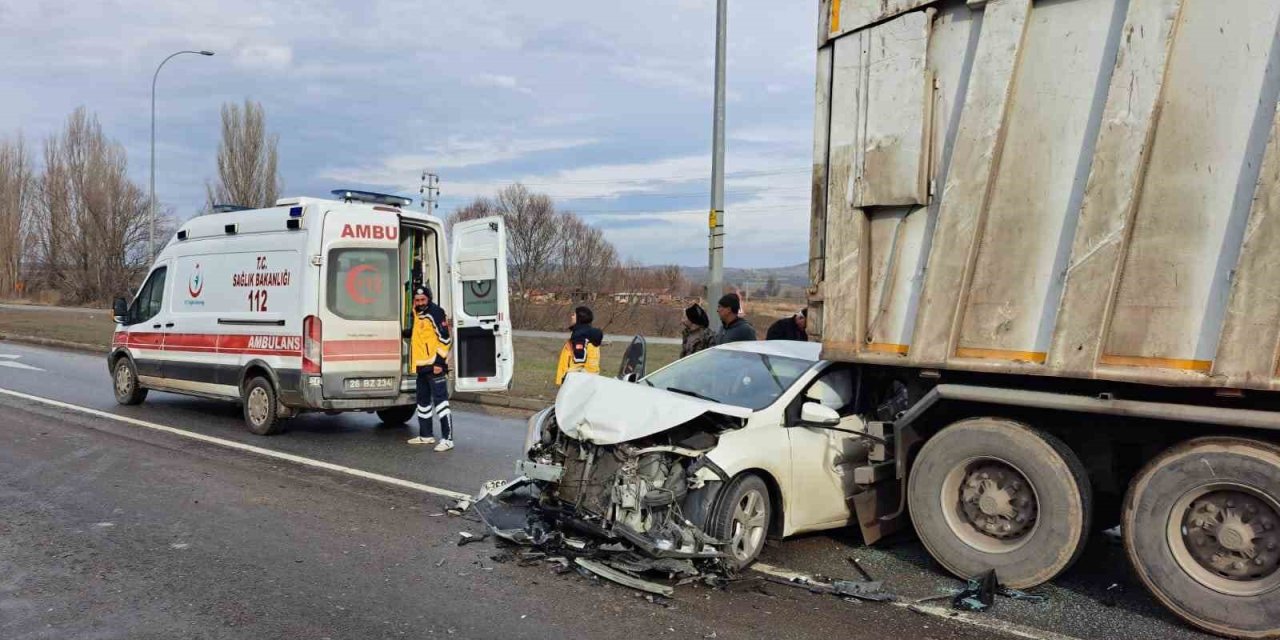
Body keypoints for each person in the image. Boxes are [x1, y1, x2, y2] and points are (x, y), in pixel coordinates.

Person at [406, 287, 454, 452]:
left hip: (435, 366)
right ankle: (426, 435)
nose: (420, 303)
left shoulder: (436, 312)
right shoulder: (417, 314)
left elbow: (445, 339)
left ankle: (447, 439)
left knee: (441, 402)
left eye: (423, 300)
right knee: (423, 403)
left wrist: (439, 363)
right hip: (421, 367)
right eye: (417, 300)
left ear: (429, 299)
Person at [556, 306, 604, 385]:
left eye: (574, 315)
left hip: (578, 379)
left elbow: (579, 359)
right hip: (588, 377)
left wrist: (568, 376)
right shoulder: (587, 334)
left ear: (579, 318)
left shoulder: (580, 335)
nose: (572, 316)